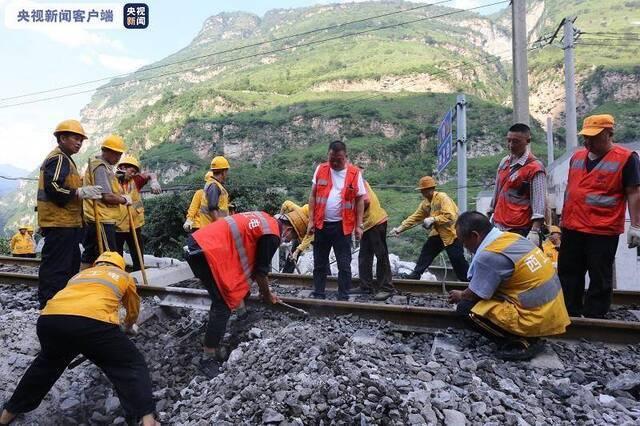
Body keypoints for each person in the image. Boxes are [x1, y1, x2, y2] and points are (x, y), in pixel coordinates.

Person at [0, 252, 158, 426]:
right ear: (121, 266)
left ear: (96, 264)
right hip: (92, 324)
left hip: (49, 321)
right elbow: (133, 309)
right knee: (130, 364)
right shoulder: (123, 276)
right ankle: (148, 420)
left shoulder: (79, 275)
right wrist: (128, 326)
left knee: (45, 367)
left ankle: (7, 414)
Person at [448, 212, 570, 360]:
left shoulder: (490, 255)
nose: (465, 247)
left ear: (475, 236)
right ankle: (525, 335)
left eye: (464, 241)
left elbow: (475, 294)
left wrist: (460, 295)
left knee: (466, 308)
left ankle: (521, 342)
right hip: (553, 311)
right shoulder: (512, 238)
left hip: (535, 318)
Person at [185, 211, 288, 378]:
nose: (287, 241)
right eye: (290, 237)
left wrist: (263, 289)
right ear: (288, 229)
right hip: (204, 252)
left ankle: (242, 315)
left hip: (201, 244)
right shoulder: (273, 235)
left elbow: (254, 269)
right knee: (222, 304)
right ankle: (208, 358)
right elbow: (261, 273)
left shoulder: (265, 219)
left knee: (238, 284)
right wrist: (268, 295)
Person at [559, 114, 640, 318]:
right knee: (569, 273)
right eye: (586, 137)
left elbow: (633, 192)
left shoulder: (626, 158)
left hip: (602, 229)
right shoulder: (577, 158)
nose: (588, 142)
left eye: (594, 137)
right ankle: (571, 313)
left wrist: (636, 225)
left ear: (609, 134)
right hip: (572, 227)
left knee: (599, 275)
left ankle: (595, 316)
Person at [36, 120, 103, 309]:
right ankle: (49, 306)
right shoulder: (58, 158)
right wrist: (79, 192)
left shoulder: (67, 159)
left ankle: (62, 303)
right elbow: (54, 186)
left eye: (81, 140)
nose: (79, 143)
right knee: (57, 267)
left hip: (68, 223)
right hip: (59, 223)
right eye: (76, 138)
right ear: (62, 138)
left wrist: (82, 189)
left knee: (70, 265)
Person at [306, 141, 366, 300]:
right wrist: (311, 220)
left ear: (346, 157)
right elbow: (313, 195)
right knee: (319, 263)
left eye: (338, 159)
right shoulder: (321, 169)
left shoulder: (354, 173)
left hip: (343, 227)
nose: (334, 162)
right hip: (321, 225)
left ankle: (343, 296)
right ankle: (319, 294)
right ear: (328, 155)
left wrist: (359, 225)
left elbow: (360, 200)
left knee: (344, 264)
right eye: (331, 158)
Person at [391, 176, 469, 282]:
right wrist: (400, 228)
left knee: (457, 259)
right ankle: (416, 274)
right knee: (426, 252)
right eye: (421, 190)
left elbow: (450, 216)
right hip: (438, 233)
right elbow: (415, 217)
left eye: (423, 190)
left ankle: (467, 281)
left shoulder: (442, 197)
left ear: (429, 189)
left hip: (452, 233)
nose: (422, 193)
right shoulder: (426, 203)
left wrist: (433, 219)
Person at [489, 123, 546, 246]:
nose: (511, 145)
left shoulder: (535, 168)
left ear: (528, 141)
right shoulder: (504, 162)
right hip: (499, 225)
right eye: (508, 141)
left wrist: (535, 231)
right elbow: (497, 190)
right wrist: (491, 211)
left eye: (516, 142)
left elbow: (539, 204)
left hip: (519, 229)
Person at [81, 135, 132, 268]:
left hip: (98, 217)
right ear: (108, 151)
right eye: (117, 155)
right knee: (108, 256)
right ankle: (103, 283)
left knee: (91, 253)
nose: (118, 158)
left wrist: (117, 175)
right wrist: (124, 199)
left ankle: (85, 283)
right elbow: (107, 196)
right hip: (101, 218)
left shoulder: (103, 166)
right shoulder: (101, 167)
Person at [115, 155, 161, 271]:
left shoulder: (135, 180)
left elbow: (151, 174)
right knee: (116, 256)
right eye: (131, 171)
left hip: (134, 225)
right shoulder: (111, 181)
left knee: (138, 254)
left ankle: (139, 277)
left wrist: (154, 181)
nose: (132, 174)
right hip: (117, 226)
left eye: (135, 172)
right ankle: (118, 277)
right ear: (122, 167)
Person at [356, 180, 395, 300]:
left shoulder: (355, 180)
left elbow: (366, 201)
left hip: (375, 222)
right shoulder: (354, 179)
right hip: (367, 224)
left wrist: (355, 219)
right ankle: (366, 286)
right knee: (364, 255)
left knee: (381, 255)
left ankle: (386, 288)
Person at [279, 200, 313, 273]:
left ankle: (327, 275)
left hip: (318, 231)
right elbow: (286, 203)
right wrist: (281, 214)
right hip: (303, 230)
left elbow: (309, 237)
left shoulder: (312, 218)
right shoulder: (300, 210)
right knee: (293, 252)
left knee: (321, 253)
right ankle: (286, 273)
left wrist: (297, 252)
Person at [199, 156, 230, 227]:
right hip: (212, 229)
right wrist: (219, 225)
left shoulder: (212, 184)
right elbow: (212, 208)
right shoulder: (214, 186)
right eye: (227, 171)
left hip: (208, 227)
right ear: (223, 172)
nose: (227, 174)